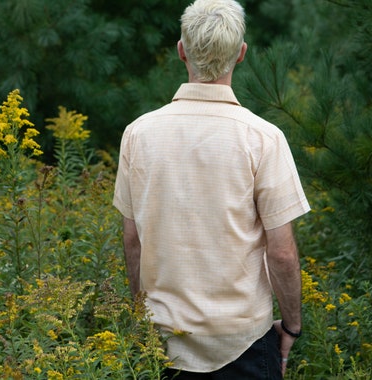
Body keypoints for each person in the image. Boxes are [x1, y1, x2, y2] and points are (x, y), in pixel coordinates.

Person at [113, 0, 310, 378]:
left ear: (181, 50)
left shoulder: (138, 134)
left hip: (164, 340)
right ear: (240, 54)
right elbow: (281, 253)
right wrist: (291, 326)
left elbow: (132, 239)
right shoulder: (263, 138)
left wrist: (142, 320)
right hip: (244, 341)